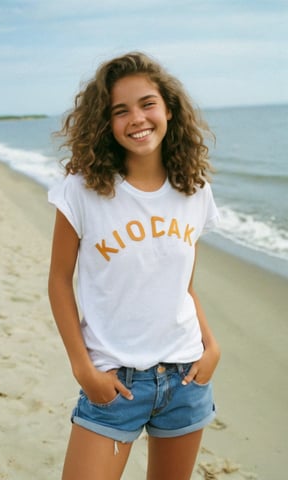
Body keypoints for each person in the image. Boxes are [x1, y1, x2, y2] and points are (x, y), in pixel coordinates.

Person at [48, 51, 221, 480]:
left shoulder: (194, 190)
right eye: (119, 111)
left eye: (147, 104)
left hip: (186, 378)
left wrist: (212, 347)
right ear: (105, 123)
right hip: (115, 382)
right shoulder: (82, 190)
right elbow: (57, 282)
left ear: (168, 110)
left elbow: (185, 285)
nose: (137, 119)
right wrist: (83, 369)